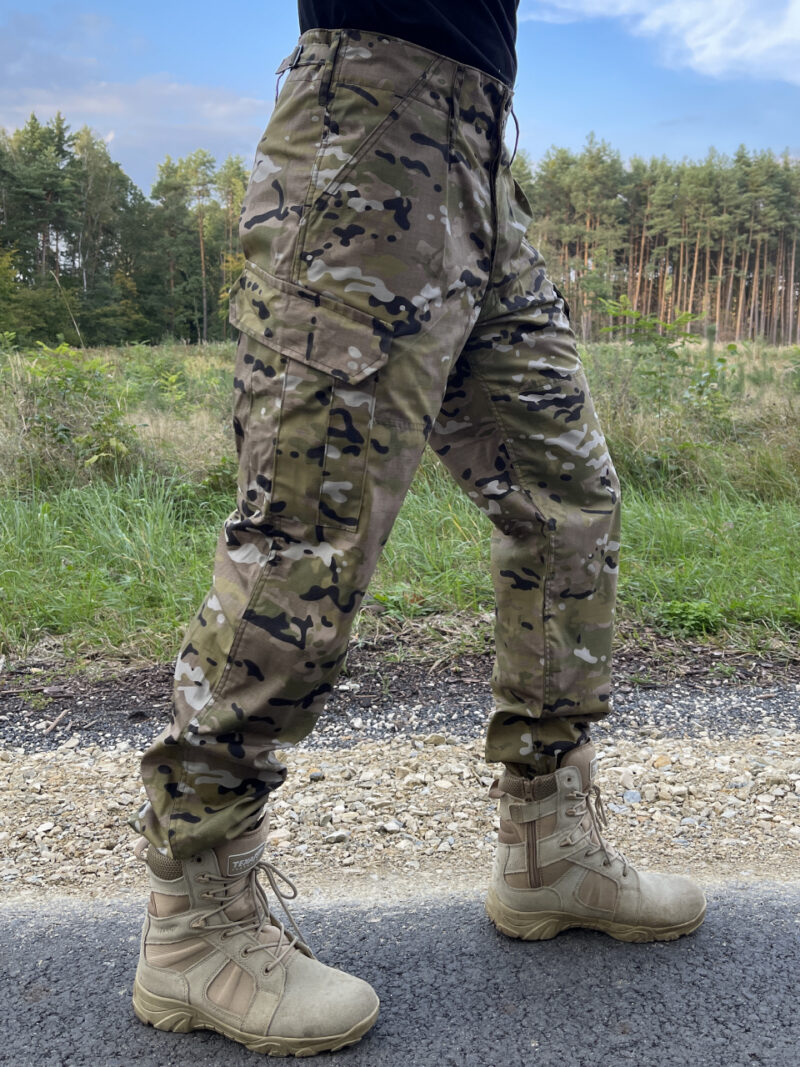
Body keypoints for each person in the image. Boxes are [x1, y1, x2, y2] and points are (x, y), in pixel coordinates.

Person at [130, 1, 706, 1055]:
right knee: (307, 531)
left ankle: (548, 845)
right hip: (366, 137)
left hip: (480, 154)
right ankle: (194, 921)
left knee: (567, 500)